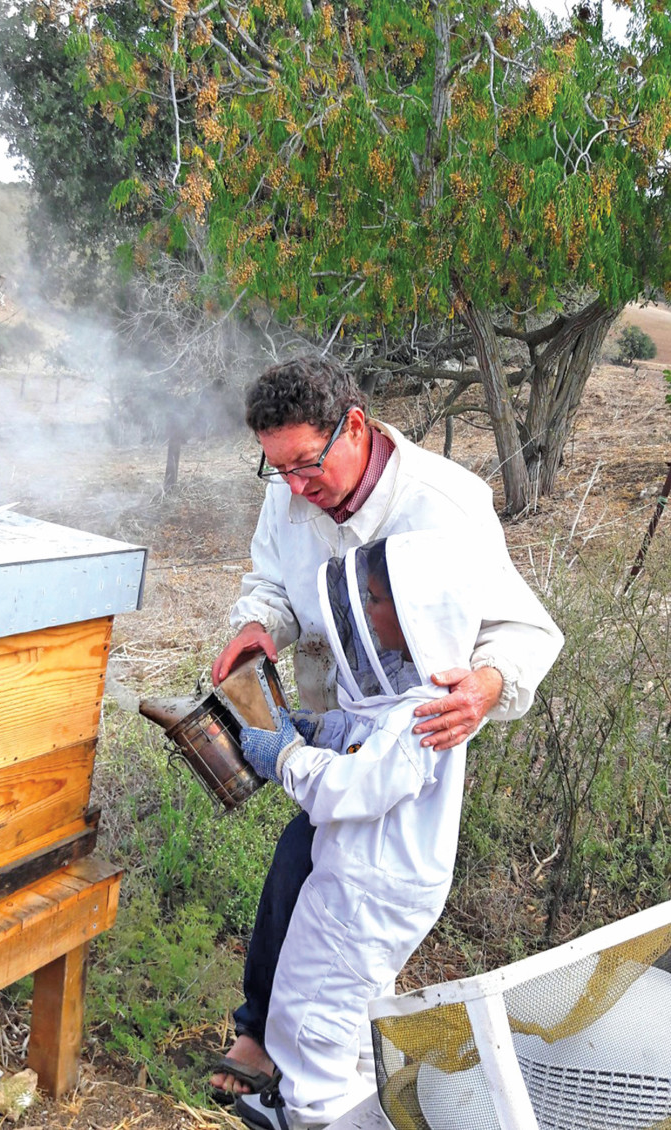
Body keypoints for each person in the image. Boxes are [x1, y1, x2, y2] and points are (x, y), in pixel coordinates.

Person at [210, 357, 564, 1098]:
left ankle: (304, 1074)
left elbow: (522, 628)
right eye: (279, 472)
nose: (298, 488)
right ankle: (282, 1038)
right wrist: (257, 626)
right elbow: (272, 581)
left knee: (339, 908)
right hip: (346, 719)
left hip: (423, 722)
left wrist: (485, 687)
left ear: (358, 427)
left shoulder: (446, 502)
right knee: (306, 872)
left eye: (308, 465)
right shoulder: (291, 487)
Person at [231, 529, 547, 1130]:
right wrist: (316, 731)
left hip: (366, 893)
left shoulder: (427, 710)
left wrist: (287, 757)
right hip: (367, 884)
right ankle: (362, 1111)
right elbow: (366, 739)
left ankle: (316, 1115)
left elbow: (358, 786)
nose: (366, 612)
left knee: (307, 1026)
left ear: (417, 611)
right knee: (349, 1018)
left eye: (376, 600)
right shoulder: (410, 697)